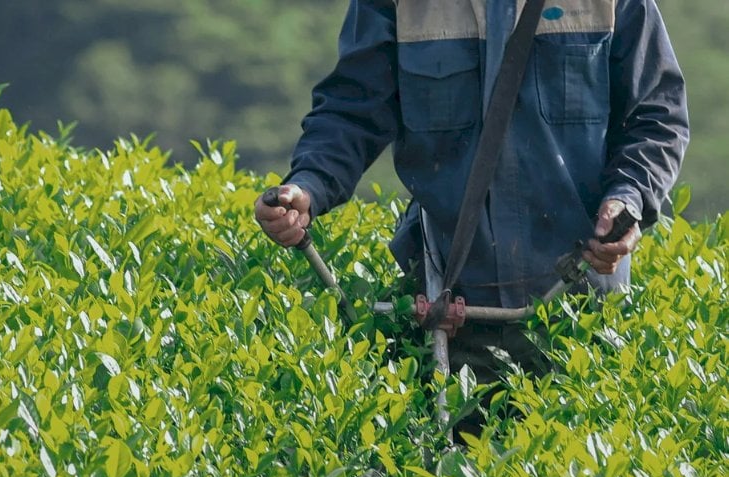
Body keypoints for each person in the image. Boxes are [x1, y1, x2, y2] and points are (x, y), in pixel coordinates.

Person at [254, 0, 689, 440]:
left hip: (579, 310)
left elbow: (655, 114)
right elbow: (353, 109)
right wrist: (307, 186)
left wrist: (628, 197)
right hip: (450, 310)